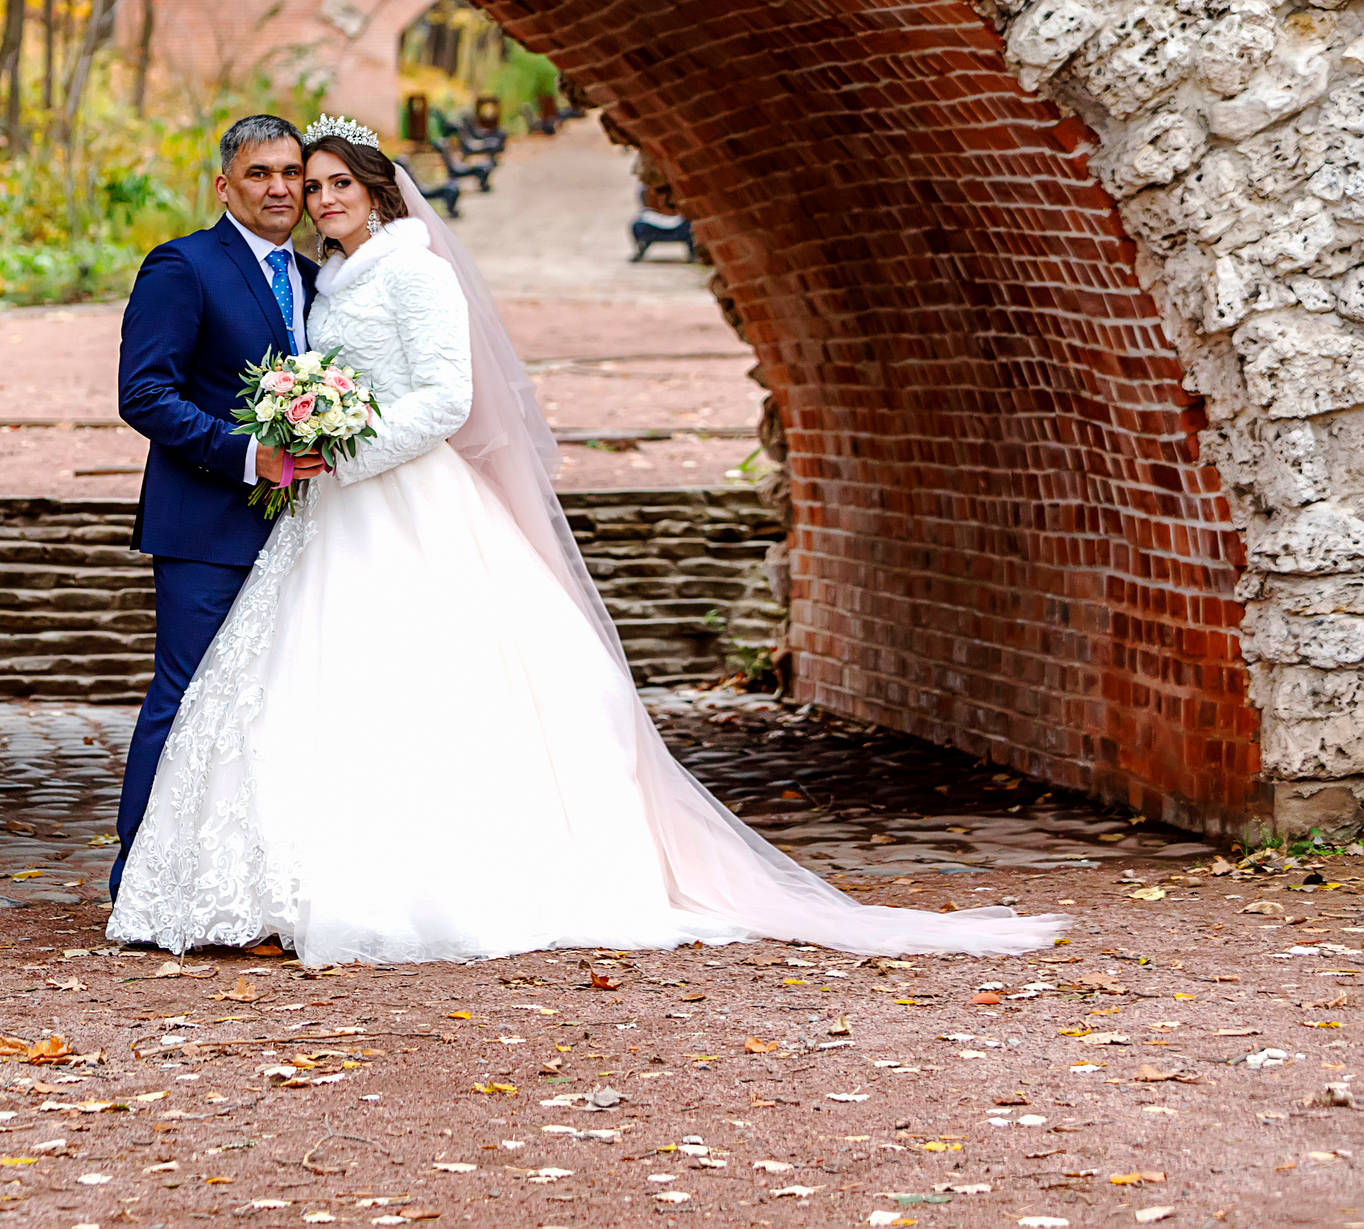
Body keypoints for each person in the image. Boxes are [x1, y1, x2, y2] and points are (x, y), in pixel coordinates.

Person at [107, 113, 1067, 966]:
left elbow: (446, 398)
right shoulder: (272, 272)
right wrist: (293, 449)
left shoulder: (408, 269)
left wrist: (340, 455)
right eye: (297, 181)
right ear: (227, 184)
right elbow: (158, 390)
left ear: (378, 188)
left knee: (414, 688)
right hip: (295, 511)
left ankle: (408, 878)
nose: (311, 196)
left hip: (385, 495)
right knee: (243, 692)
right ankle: (179, 876)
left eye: (327, 181)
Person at [110, 115, 326, 897]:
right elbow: (144, 393)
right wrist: (246, 453)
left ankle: (239, 880)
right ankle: (137, 877)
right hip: (205, 524)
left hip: (306, 529)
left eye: (291, 173)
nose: (280, 188)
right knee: (185, 696)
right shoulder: (184, 266)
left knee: (272, 705)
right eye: (260, 173)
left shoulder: (317, 278)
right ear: (223, 185)